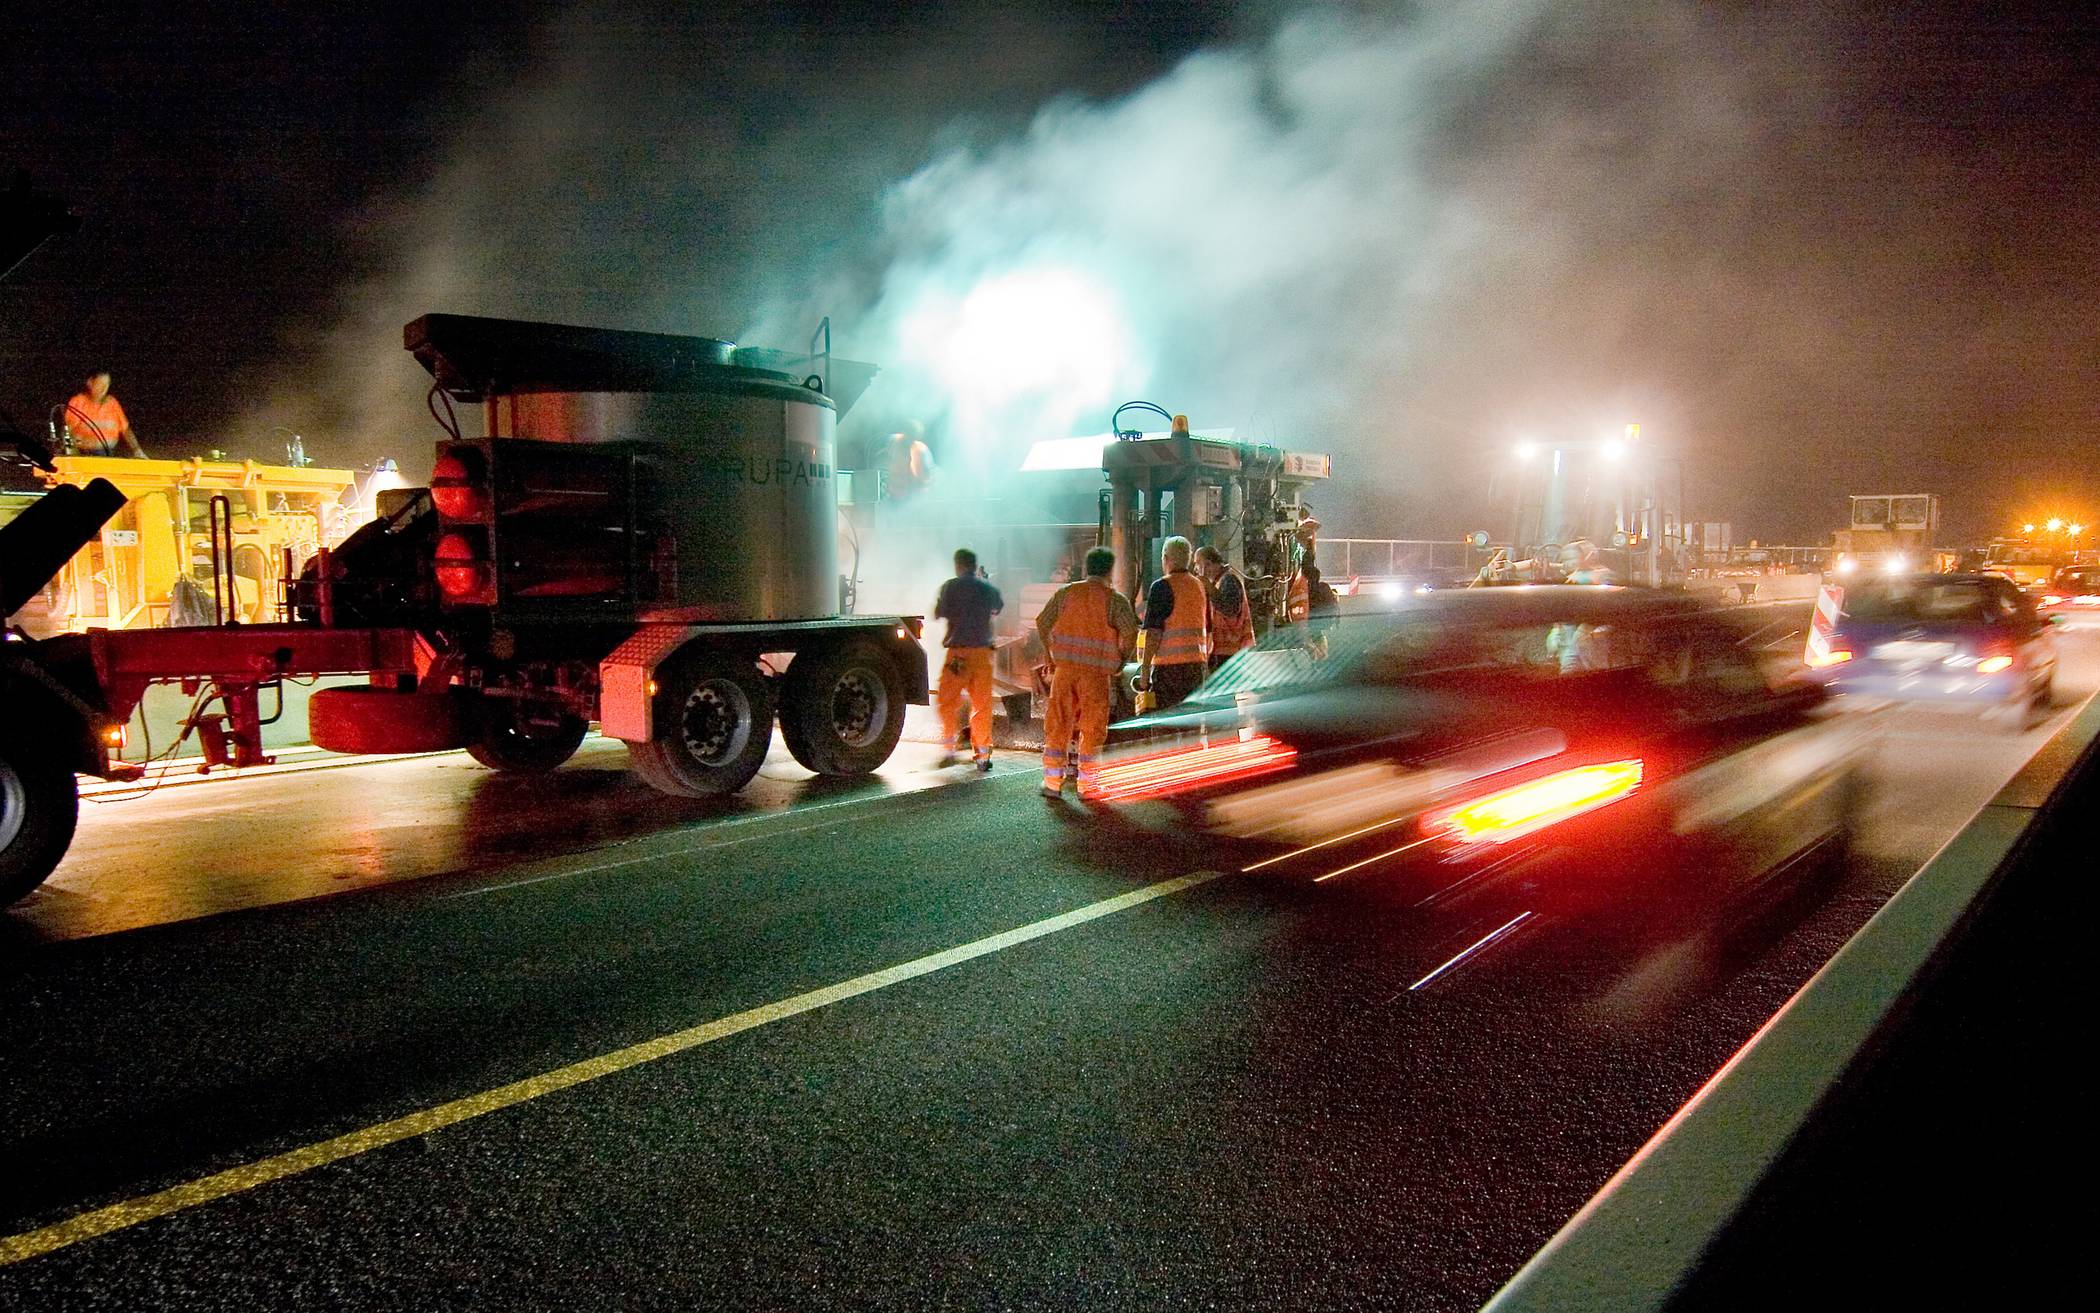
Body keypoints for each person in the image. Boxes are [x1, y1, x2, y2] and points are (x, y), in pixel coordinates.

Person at [1034, 546, 1138, 799]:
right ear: (1110, 571)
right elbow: (1130, 633)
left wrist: (1049, 655)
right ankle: (1087, 786)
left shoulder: (1066, 593)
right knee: (1092, 729)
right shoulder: (1115, 600)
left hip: (1065, 672)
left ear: (1085, 568)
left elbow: (1042, 621)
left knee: (1058, 725)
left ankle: (1052, 784)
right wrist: (1120, 662)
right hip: (1096, 675)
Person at [932, 547, 1004, 771]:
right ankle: (982, 756)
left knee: (947, 701)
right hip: (982, 654)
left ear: (958, 565)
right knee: (982, 704)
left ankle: (949, 749)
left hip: (958, 655)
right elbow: (998, 608)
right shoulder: (987, 588)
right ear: (974, 565)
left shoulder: (950, 587)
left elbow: (938, 612)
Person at [1139, 535, 1210, 711]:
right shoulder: (1199, 586)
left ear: (1165, 558)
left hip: (1169, 671)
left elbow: (1154, 633)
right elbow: (1207, 628)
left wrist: (1145, 670)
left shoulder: (1161, 587)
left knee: (1168, 725)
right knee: (1190, 723)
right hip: (1196, 669)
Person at [1195, 544, 1254, 671]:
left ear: (1207, 564)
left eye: (1197, 564)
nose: (1196, 569)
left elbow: (1230, 609)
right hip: (1224, 651)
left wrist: (1208, 587)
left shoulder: (1229, 580)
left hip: (1231, 651)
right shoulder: (1219, 582)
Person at [63, 369, 146, 458]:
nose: (104, 389)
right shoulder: (78, 402)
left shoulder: (112, 403)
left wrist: (137, 450)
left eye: (107, 385)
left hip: (108, 455)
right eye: (100, 384)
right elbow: (67, 431)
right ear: (90, 383)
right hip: (84, 455)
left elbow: (125, 430)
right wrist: (71, 454)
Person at [882, 420, 933, 501]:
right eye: (908, 436)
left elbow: (927, 475)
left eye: (913, 437)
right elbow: (881, 467)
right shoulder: (891, 442)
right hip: (892, 496)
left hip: (913, 498)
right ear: (903, 432)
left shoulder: (921, 450)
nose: (909, 440)